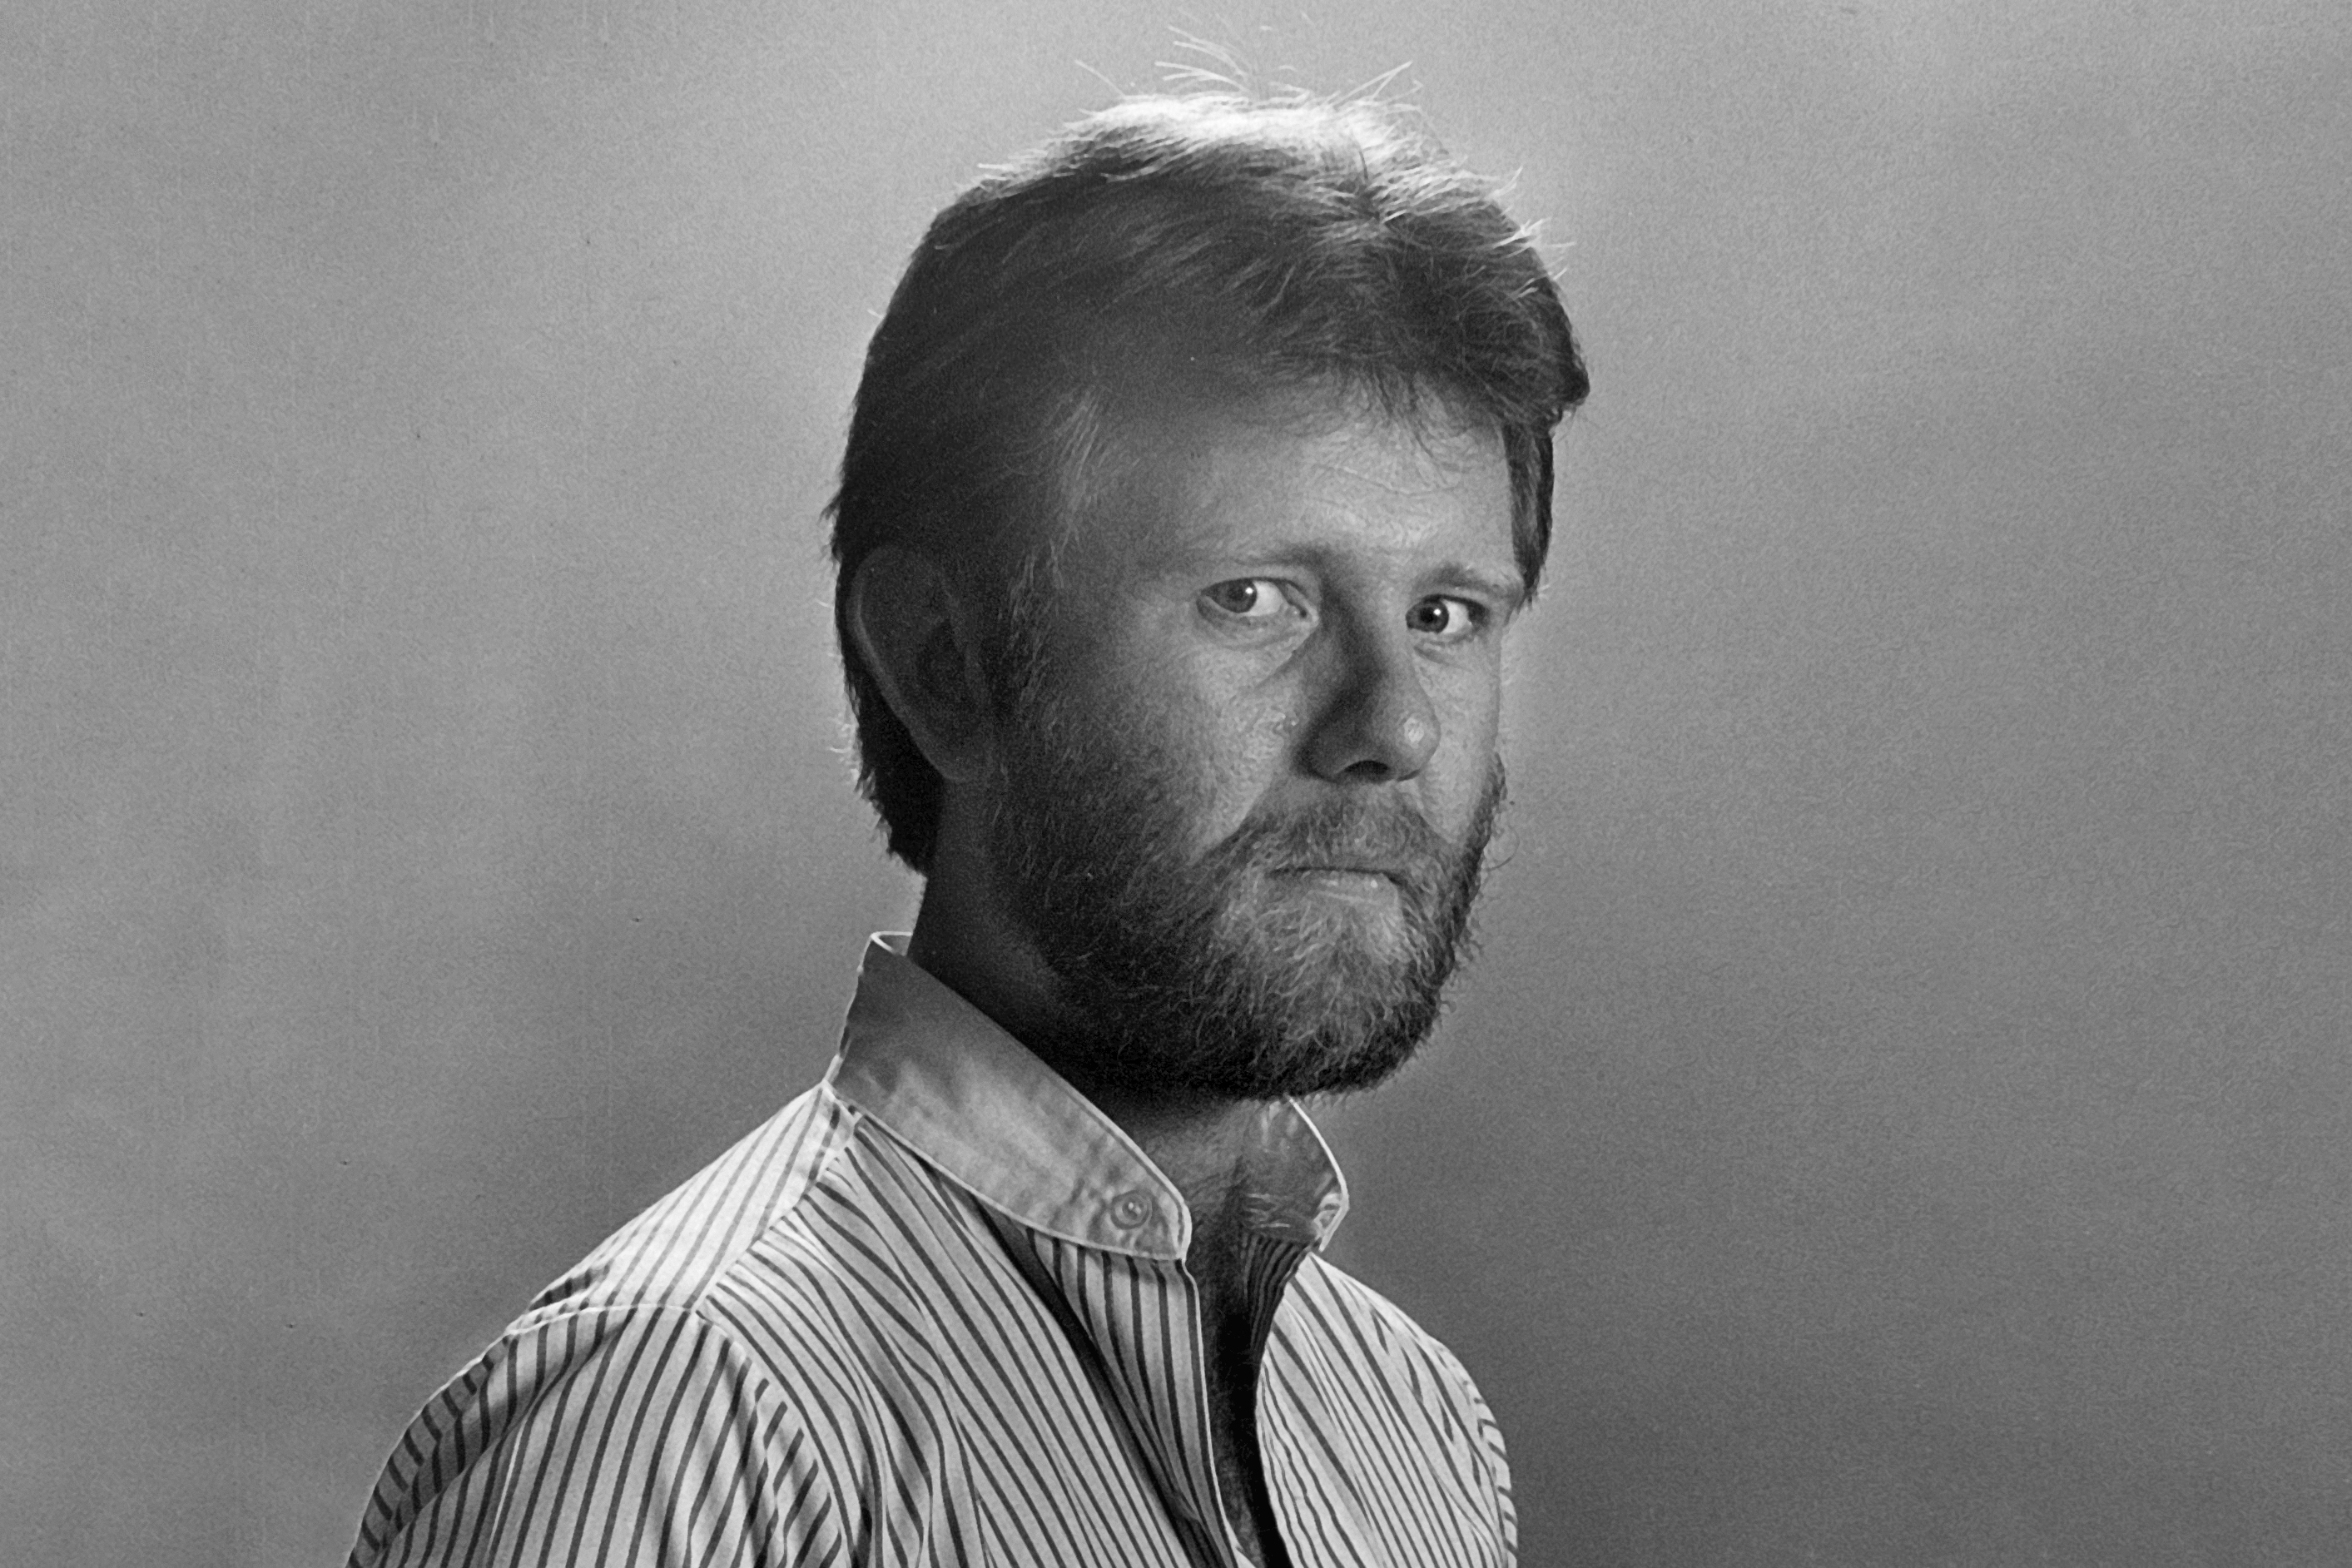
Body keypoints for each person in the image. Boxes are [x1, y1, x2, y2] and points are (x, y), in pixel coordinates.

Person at [349, 90, 1585, 1568]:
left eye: (1446, 614)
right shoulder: (687, 1416)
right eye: (1253, 598)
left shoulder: (1409, 1421)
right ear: (943, 661)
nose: (1392, 727)